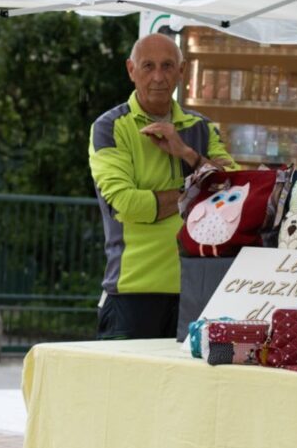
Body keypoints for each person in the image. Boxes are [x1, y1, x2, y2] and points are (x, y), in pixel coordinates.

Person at [88, 32, 235, 340]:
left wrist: (187, 153)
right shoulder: (109, 127)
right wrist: (198, 189)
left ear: (181, 72)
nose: (158, 76)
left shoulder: (202, 127)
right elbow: (126, 204)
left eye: (167, 66)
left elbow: (234, 191)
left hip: (197, 289)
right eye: (148, 66)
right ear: (131, 70)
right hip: (133, 291)